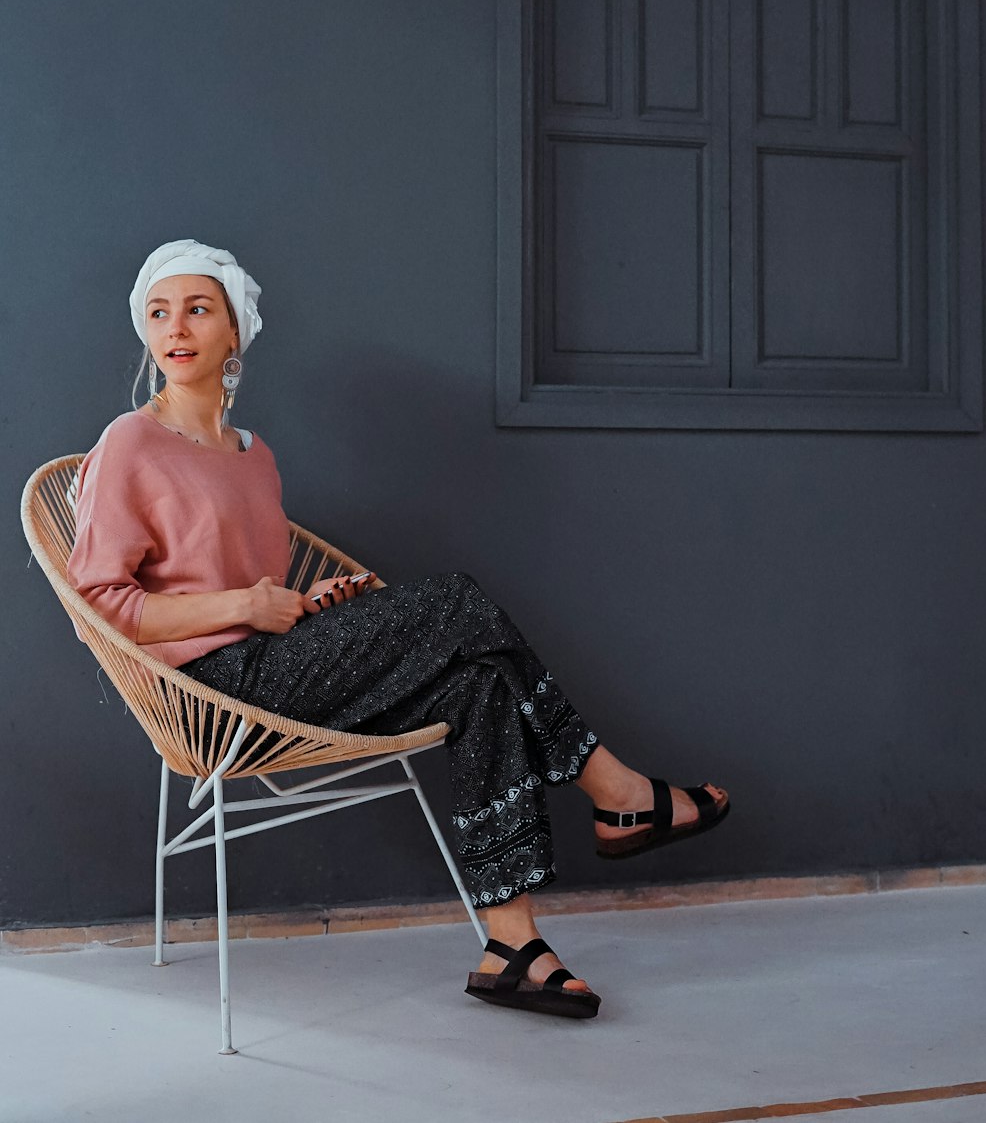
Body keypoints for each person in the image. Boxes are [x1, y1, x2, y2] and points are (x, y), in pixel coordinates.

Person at [68, 239, 730, 1020]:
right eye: (158, 312)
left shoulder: (255, 458)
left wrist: (315, 606)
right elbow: (100, 607)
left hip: (279, 668)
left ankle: (510, 943)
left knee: (481, 682)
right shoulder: (129, 443)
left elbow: (259, 590)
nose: (175, 327)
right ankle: (616, 790)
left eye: (198, 308)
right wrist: (245, 609)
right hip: (214, 694)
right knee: (455, 599)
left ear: (234, 334)